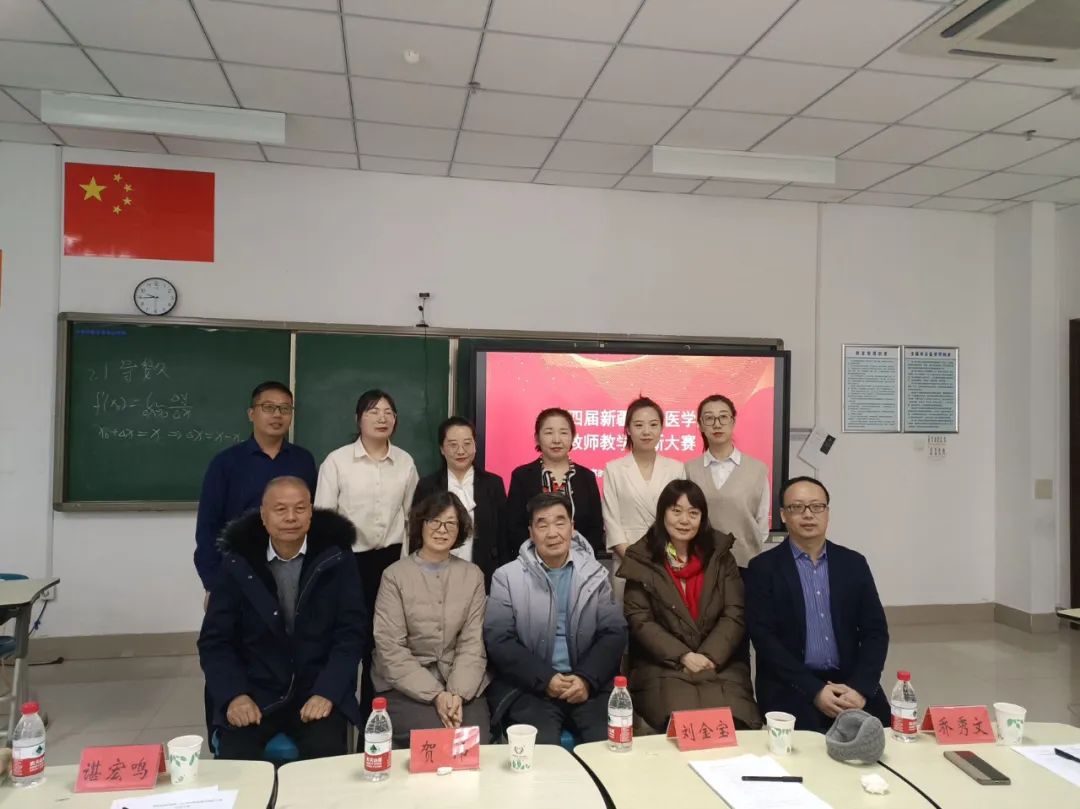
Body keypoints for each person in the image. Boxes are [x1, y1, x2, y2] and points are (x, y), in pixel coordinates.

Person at [198, 476, 367, 760]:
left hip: (315, 689)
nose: (291, 517)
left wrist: (327, 691)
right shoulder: (238, 562)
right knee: (238, 761)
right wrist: (235, 695)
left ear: (311, 513)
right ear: (263, 515)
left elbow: (351, 634)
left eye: (300, 508)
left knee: (326, 755)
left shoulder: (336, 558)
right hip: (256, 691)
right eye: (280, 509)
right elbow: (215, 642)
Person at [745, 476, 891, 732]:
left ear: (827, 512)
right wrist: (814, 690)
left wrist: (860, 688)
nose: (808, 514)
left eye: (816, 506)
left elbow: (875, 632)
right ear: (783, 515)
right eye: (797, 507)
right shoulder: (763, 568)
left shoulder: (853, 563)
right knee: (809, 747)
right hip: (791, 684)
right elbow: (764, 639)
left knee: (882, 739)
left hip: (849, 683)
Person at [619, 480, 761, 732]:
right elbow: (640, 620)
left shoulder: (720, 556)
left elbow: (734, 613)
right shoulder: (642, 558)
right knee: (682, 724)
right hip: (662, 666)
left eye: (693, 513)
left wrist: (708, 656)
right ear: (662, 514)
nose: (684, 520)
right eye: (676, 511)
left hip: (719, 663)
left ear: (702, 518)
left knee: (734, 723)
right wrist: (683, 656)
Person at [484, 493, 626, 744]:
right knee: (543, 752)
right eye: (543, 525)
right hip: (530, 687)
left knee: (606, 748)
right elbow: (499, 639)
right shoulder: (507, 577)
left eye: (560, 523)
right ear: (531, 532)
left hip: (587, 685)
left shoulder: (595, 574)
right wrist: (546, 678)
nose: (552, 533)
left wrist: (585, 679)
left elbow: (614, 632)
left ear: (572, 527)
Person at [314, 389, 419, 715]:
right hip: (348, 563)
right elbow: (323, 520)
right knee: (347, 641)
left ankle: (374, 720)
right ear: (358, 419)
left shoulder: (405, 462)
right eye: (373, 411)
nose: (382, 418)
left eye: (388, 412)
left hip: (391, 563)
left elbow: (413, 518)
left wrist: (408, 565)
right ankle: (340, 714)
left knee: (382, 646)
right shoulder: (337, 461)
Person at [372, 491, 490, 747]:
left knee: (474, 741)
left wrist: (457, 694)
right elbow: (390, 648)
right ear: (421, 524)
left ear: (460, 530)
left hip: (461, 682)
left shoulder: (473, 576)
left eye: (450, 523)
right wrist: (436, 695)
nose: (442, 530)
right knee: (435, 740)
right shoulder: (394, 576)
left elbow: (472, 644)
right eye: (434, 521)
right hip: (404, 685)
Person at [194, 381, 317, 599]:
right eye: (268, 407)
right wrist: (212, 584)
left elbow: (313, 516)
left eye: (285, 408)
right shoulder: (226, 463)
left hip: (293, 570)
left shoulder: (303, 460)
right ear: (251, 414)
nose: (277, 414)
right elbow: (208, 527)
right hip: (239, 569)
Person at [413, 416, 507, 591]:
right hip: (435, 575)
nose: (461, 451)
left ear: (475, 446)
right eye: (453, 445)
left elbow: (503, 535)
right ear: (442, 449)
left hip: (484, 575)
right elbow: (417, 534)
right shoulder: (427, 486)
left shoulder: (493, 484)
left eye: (467, 443)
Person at [684, 394, 771, 572]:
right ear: (700, 425)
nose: (717, 424)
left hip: (746, 563)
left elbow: (762, 522)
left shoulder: (757, 469)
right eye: (709, 418)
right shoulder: (688, 469)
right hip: (701, 564)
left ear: (733, 421)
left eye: (723, 417)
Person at [506, 408, 604, 557]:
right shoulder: (522, 476)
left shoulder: (586, 477)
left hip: (580, 562)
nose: (556, 440)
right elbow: (514, 526)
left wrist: (578, 557)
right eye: (549, 432)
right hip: (533, 562)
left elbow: (596, 527)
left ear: (573, 437)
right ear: (537, 438)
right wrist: (538, 557)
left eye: (563, 432)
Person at [602, 396, 685, 560]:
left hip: (668, 557)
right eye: (639, 425)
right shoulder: (614, 469)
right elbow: (611, 522)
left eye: (653, 425)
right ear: (628, 429)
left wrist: (670, 555)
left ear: (661, 428)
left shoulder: (676, 468)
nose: (646, 431)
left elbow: (681, 515)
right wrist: (633, 560)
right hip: (627, 558)